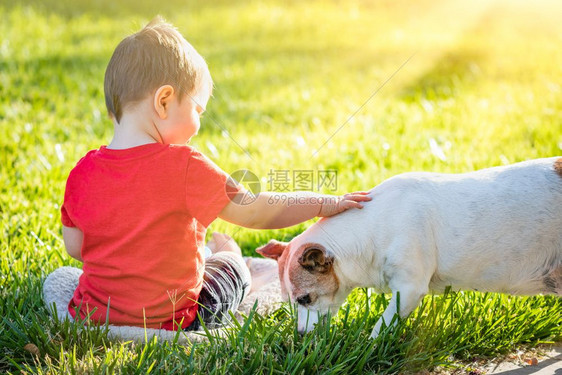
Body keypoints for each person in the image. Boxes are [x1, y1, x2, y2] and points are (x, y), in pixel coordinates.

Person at [60, 17, 371, 331]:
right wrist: (322, 203)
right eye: (198, 111)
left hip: (93, 314)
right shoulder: (184, 164)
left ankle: (211, 254)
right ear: (164, 101)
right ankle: (230, 255)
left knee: (64, 279)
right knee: (231, 265)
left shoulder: (81, 173)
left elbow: (75, 247)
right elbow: (257, 211)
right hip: (172, 320)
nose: (198, 125)